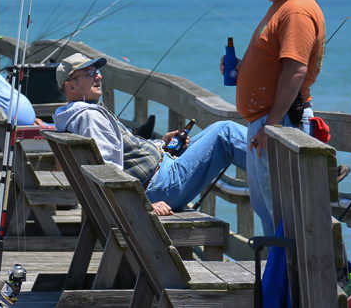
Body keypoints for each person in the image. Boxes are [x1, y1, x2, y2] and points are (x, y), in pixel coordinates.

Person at [54, 52, 254, 218]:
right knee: (225, 132)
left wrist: (160, 144)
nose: (98, 76)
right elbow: (108, 171)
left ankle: (271, 163)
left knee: (218, 128)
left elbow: (117, 157)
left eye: (97, 71)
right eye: (89, 73)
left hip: (160, 174)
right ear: (70, 86)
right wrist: (143, 206)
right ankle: (277, 164)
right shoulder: (90, 118)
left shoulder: (80, 114)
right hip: (161, 186)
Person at [232, 0, 326, 236]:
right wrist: (240, 70)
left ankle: (284, 279)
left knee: (279, 214)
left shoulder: (296, 11)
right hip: (270, 121)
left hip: (280, 122)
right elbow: (277, 64)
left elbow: (295, 70)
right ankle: (279, 277)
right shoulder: (284, 6)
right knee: (270, 209)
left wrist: (271, 127)